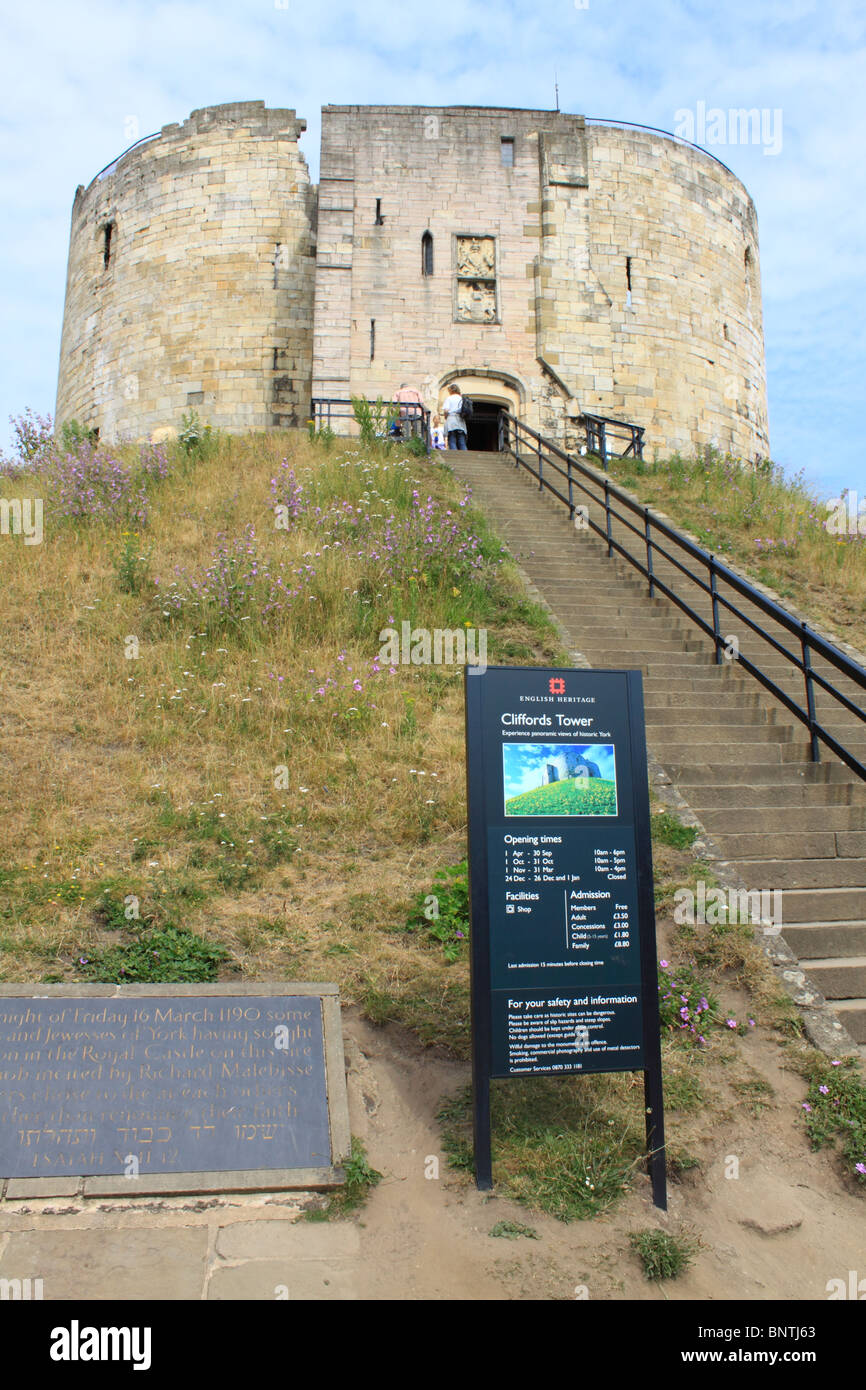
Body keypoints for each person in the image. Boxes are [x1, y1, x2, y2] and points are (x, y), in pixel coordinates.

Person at [442, 383, 468, 449]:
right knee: (461, 440)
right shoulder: (461, 398)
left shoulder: (449, 398)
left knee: (452, 440)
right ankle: (465, 456)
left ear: (450, 390)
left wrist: (445, 417)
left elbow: (446, 410)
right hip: (460, 420)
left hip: (451, 419)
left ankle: (454, 454)